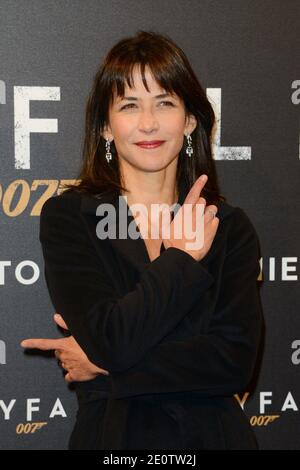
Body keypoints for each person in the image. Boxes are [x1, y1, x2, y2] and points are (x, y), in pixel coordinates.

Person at [21, 30, 263, 450]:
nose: (148, 123)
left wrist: (107, 366)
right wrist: (183, 259)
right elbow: (113, 340)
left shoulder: (227, 226)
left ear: (189, 120)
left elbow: (232, 364)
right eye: (129, 105)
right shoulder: (70, 218)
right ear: (106, 128)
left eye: (165, 102)